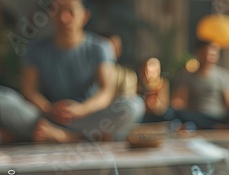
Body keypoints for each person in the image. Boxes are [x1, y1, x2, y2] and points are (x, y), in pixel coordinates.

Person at [1, 0, 144, 143]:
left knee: (133, 105)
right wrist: (49, 109)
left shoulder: (101, 47)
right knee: (3, 99)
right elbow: (29, 90)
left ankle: (66, 136)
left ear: (85, 16)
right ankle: (88, 136)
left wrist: (81, 109)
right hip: (47, 116)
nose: (64, 18)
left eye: (71, 11)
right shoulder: (36, 49)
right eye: (57, 11)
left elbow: (106, 91)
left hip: (88, 116)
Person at [171, 40, 229, 129]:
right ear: (198, 53)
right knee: (176, 115)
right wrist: (175, 104)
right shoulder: (187, 75)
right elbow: (180, 99)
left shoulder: (224, 75)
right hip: (195, 116)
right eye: (206, 53)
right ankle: (216, 127)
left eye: (213, 54)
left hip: (218, 117)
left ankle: (216, 126)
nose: (209, 57)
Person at [138, 57, 172, 123]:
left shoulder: (163, 83)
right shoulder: (139, 85)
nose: (147, 75)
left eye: (151, 72)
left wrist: (155, 104)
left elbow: (163, 106)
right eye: (145, 71)